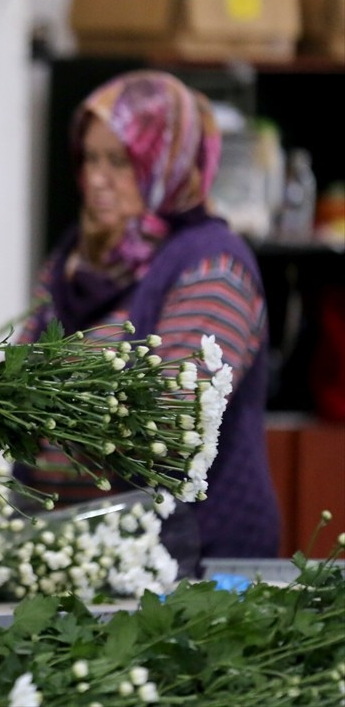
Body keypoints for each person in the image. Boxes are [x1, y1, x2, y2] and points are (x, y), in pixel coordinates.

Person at [16, 70, 279, 560]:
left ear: (168, 162)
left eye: (120, 161)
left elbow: (175, 421)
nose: (96, 178)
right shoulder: (74, 256)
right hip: (78, 551)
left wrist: (39, 391)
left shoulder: (213, 263)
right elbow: (18, 379)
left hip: (194, 560)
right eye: (90, 158)